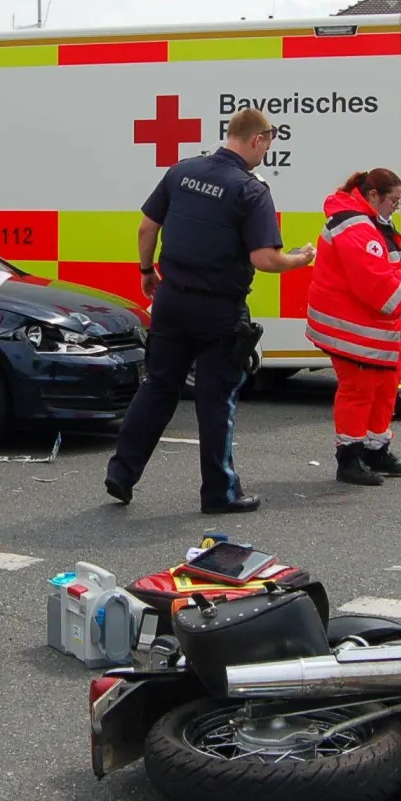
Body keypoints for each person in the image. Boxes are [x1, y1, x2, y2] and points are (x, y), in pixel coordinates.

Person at [103, 108, 314, 515]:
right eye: (269, 143)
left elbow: (148, 226)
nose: (267, 152)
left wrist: (147, 271)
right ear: (256, 139)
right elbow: (265, 259)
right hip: (218, 310)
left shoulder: (181, 171)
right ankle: (220, 493)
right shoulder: (250, 190)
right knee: (216, 401)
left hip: (171, 299)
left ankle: (122, 473)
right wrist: (299, 259)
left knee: (158, 387)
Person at [306, 168, 401, 486]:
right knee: (358, 391)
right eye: (394, 200)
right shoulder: (354, 224)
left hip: (374, 325)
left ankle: (375, 449)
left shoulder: (370, 220)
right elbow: (372, 281)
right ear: (373, 196)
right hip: (352, 326)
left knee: (385, 386)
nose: (397, 205)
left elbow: (385, 266)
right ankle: (349, 459)